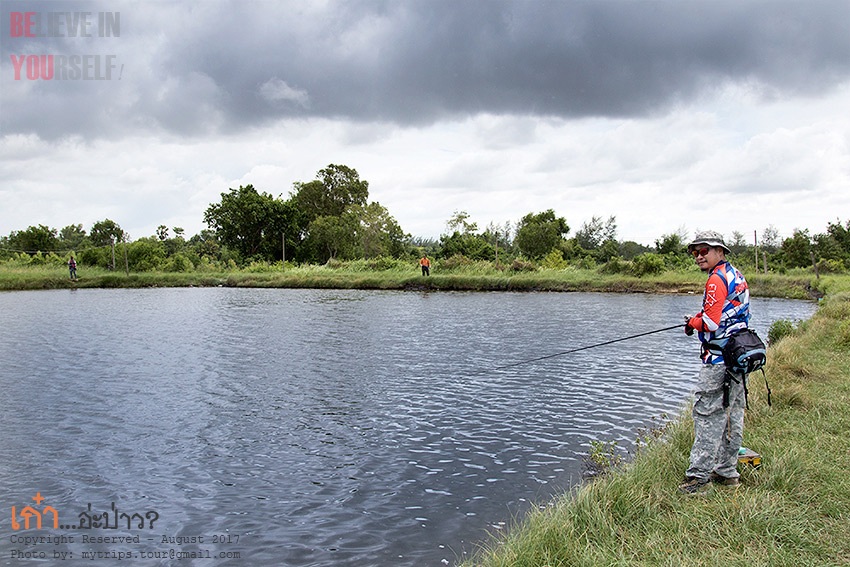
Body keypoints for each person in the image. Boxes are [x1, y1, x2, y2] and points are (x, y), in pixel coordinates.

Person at [679, 230, 750, 495]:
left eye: (704, 251)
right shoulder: (735, 275)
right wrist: (700, 317)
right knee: (733, 412)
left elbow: (710, 322)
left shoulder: (715, 280)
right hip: (738, 358)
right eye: (695, 252)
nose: (699, 256)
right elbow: (726, 312)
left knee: (707, 414)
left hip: (719, 360)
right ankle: (727, 472)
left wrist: (692, 323)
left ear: (720, 251)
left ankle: (698, 480)